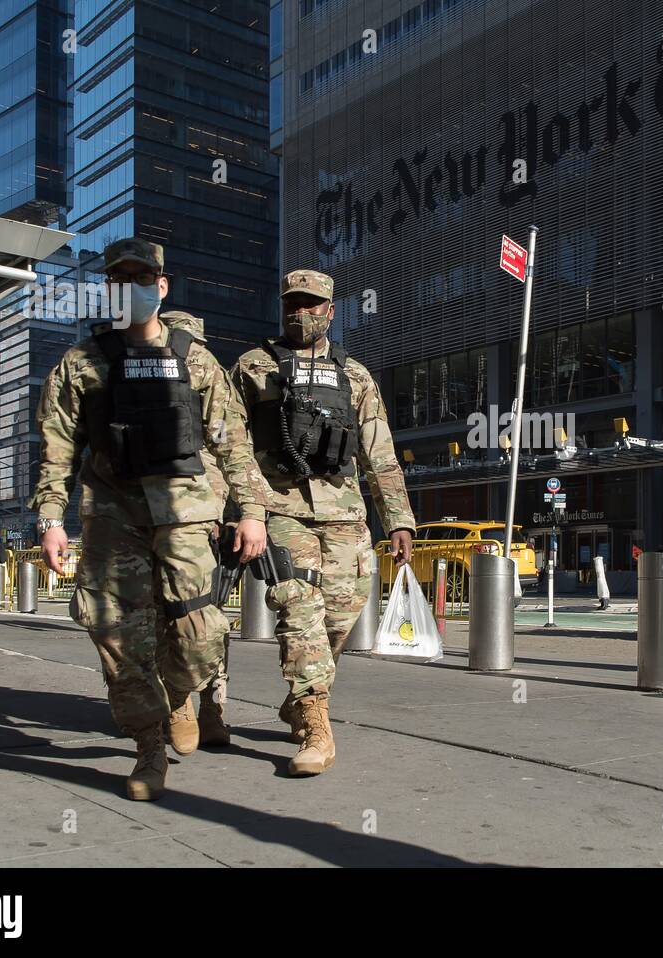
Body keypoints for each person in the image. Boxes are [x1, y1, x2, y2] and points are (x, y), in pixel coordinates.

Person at [30, 239, 271, 801]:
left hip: (186, 515)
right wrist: (49, 519)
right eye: (119, 280)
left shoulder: (196, 360)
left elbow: (233, 445)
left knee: (202, 633)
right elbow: (56, 449)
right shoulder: (81, 364)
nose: (131, 289)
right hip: (112, 517)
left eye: (143, 279)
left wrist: (253, 513)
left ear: (162, 287)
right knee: (117, 633)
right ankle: (148, 748)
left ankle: (179, 696)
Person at [231, 268, 415, 777]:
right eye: (292, 303)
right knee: (299, 609)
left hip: (345, 513)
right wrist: (246, 511)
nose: (301, 312)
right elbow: (230, 445)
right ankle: (316, 724)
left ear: (331, 311)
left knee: (340, 616)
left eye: (312, 304)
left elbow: (380, 452)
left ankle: (305, 691)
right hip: (280, 508)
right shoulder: (252, 368)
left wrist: (398, 519)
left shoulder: (355, 375)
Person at [160, 310, 234, 748]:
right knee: (193, 611)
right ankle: (192, 701)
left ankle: (203, 704)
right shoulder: (206, 366)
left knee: (197, 614)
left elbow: (228, 446)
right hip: (188, 511)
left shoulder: (204, 370)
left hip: (197, 512)